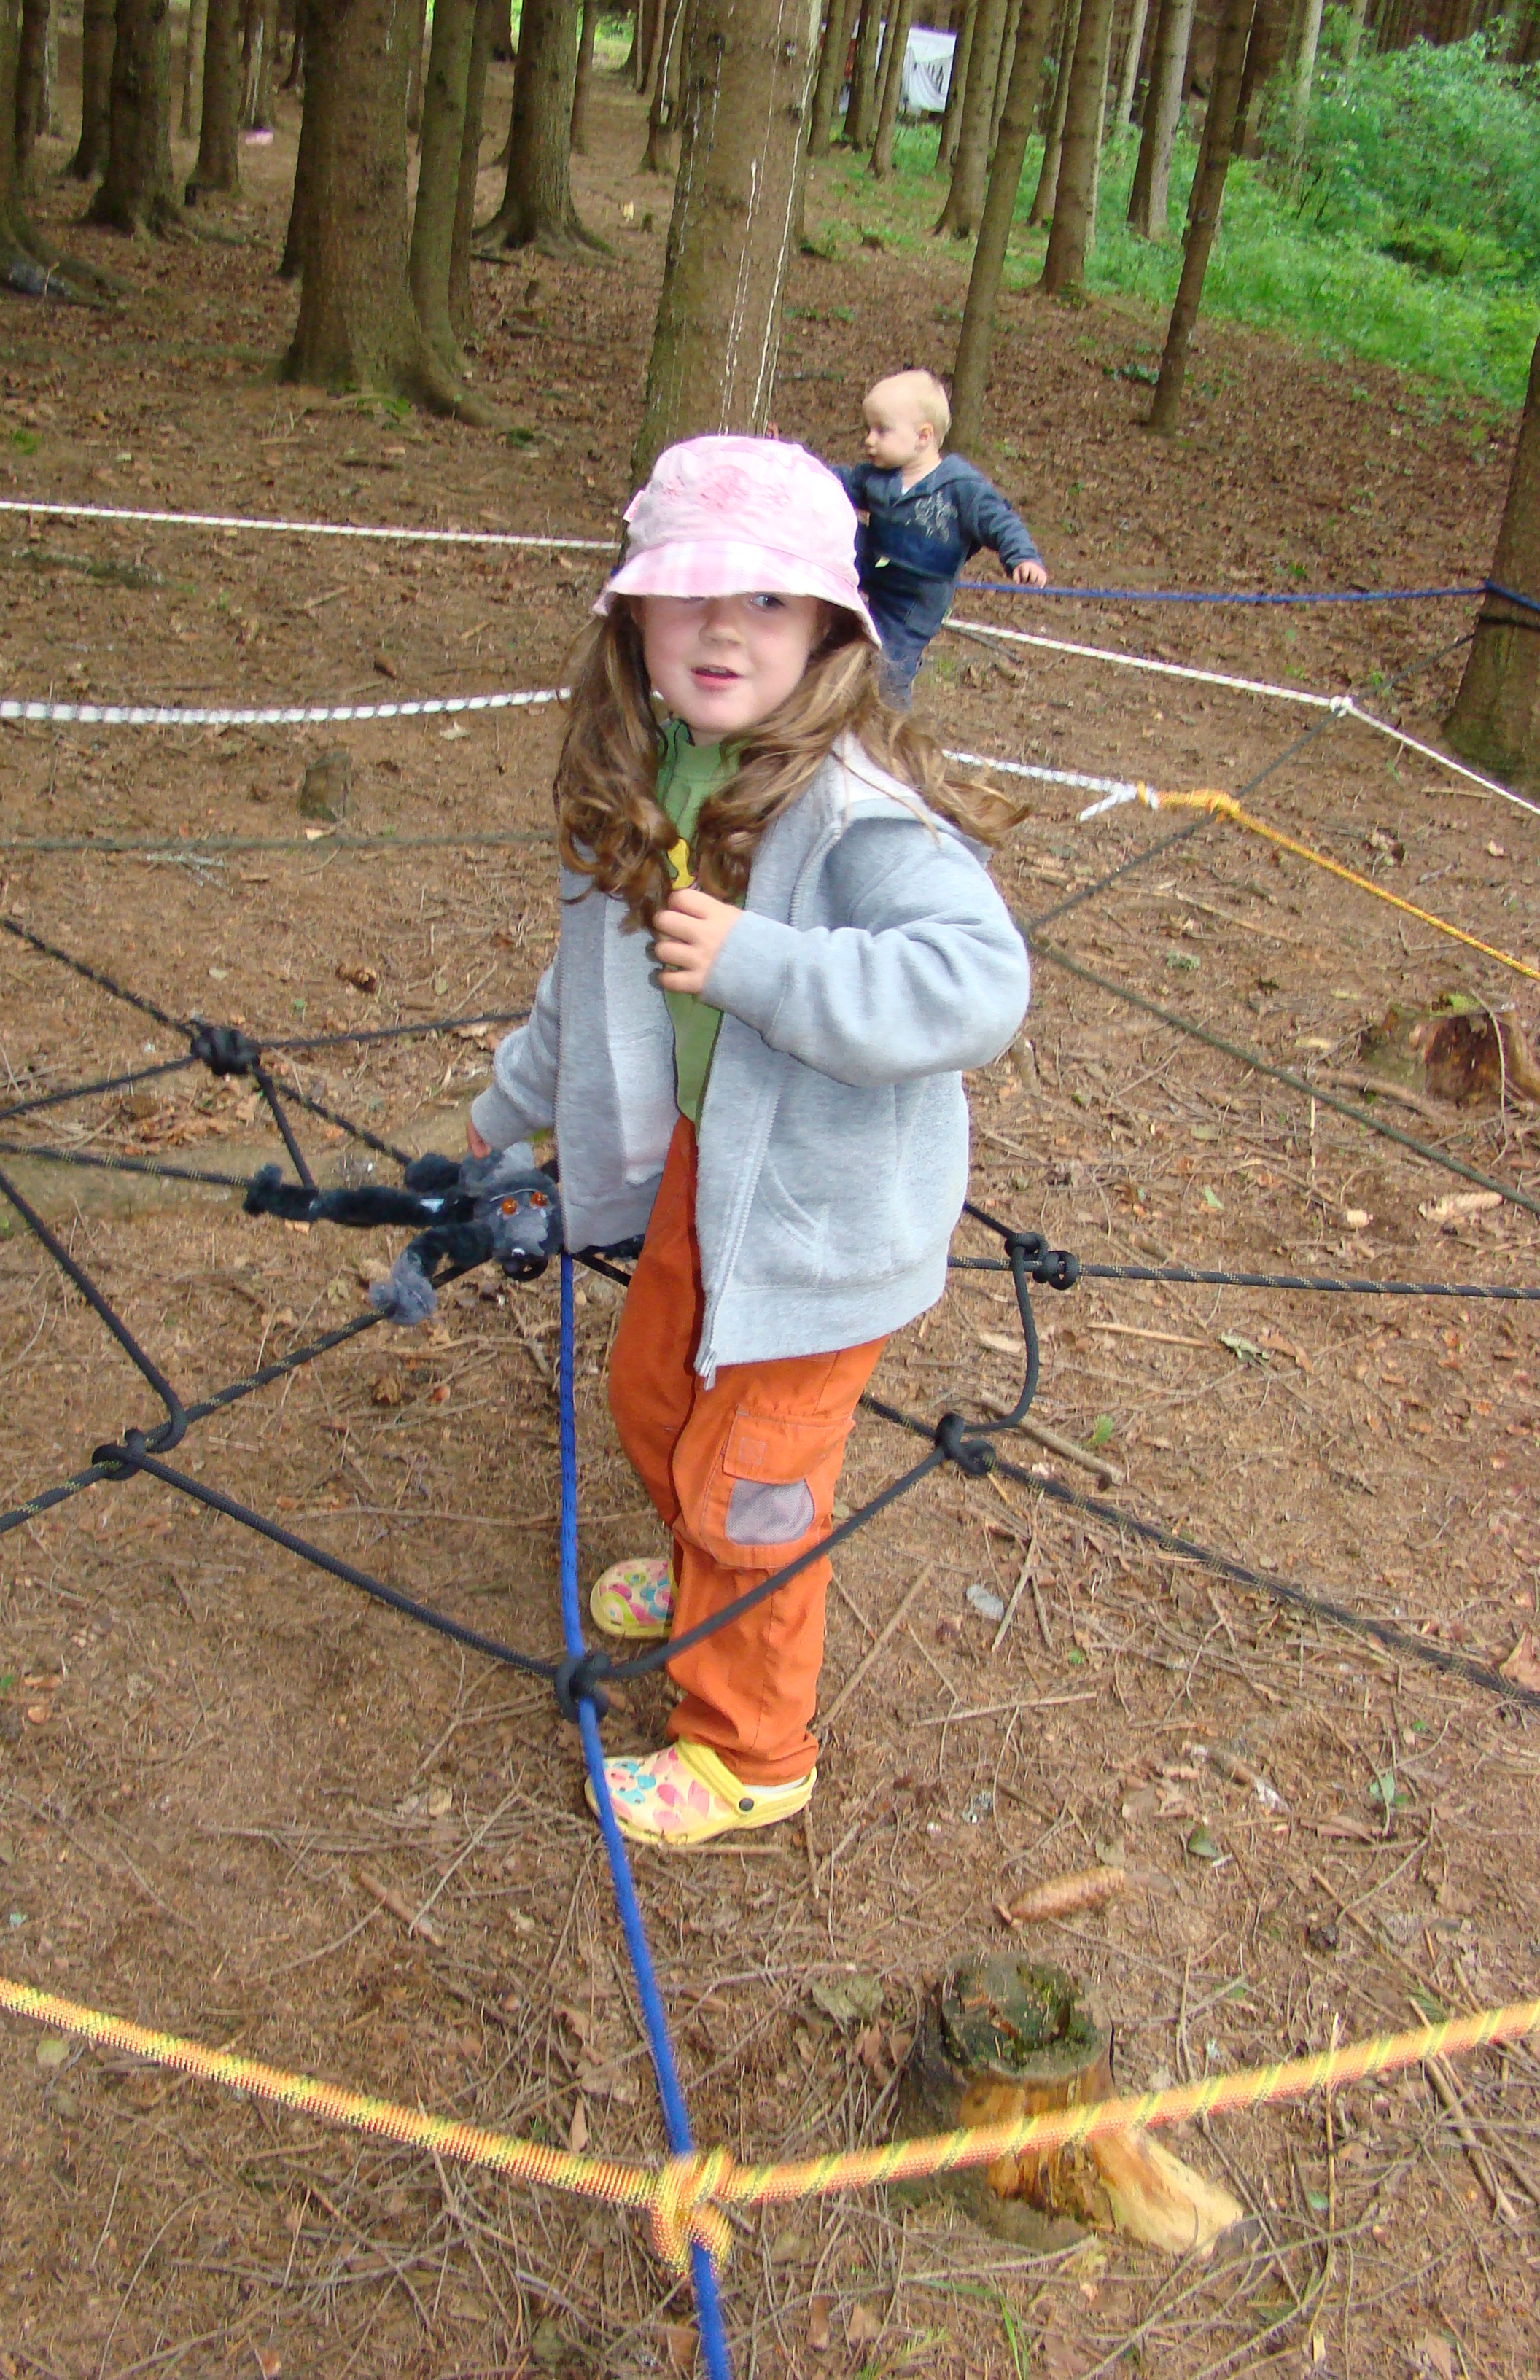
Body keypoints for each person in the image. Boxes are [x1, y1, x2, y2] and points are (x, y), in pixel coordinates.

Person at [466, 435, 1030, 1849]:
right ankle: (700, 1573)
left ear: (831, 626)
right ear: (632, 618)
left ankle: (749, 1751)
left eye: (768, 598)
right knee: (655, 1395)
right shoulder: (651, 772)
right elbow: (581, 993)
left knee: (754, 1485)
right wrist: (498, 1114)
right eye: (688, 592)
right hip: (705, 1169)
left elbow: (978, 985)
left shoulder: (853, 810)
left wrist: (760, 963)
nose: (723, 626)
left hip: (822, 1219)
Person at [833, 368, 1049, 709]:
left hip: (913, 602)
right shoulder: (877, 476)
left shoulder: (960, 486)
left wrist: (1022, 557)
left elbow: (1000, 520)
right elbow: (832, 482)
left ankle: (891, 728)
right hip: (875, 565)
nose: (869, 440)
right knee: (835, 523)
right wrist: (791, 465)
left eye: (882, 430)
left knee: (890, 671)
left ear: (923, 436)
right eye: (868, 429)